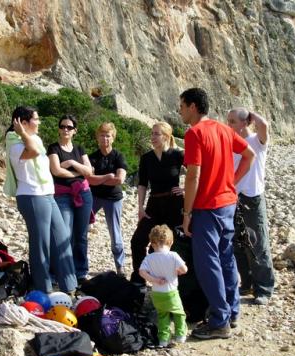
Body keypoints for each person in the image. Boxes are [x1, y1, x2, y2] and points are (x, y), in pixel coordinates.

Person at [179, 88, 255, 340]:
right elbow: (249, 155)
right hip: (227, 204)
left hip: (206, 207)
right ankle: (232, 312)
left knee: (208, 263)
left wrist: (187, 212)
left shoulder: (194, 134)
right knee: (226, 258)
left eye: (181, 105)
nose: (179, 110)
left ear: (192, 106)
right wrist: (231, 182)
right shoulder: (223, 129)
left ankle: (219, 321)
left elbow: (193, 176)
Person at [4, 106, 76, 293]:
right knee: (40, 244)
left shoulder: (33, 139)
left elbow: (36, 149)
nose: (39, 123)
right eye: (36, 119)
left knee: (61, 238)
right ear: (23, 123)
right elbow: (34, 152)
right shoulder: (14, 143)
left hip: (47, 195)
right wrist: (20, 133)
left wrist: (26, 135)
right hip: (32, 197)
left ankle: (70, 286)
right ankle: (42, 289)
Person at [228, 108, 275, 305]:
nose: (228, 125)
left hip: (253, 198)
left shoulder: (257, 141)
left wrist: (250, 114)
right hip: (234, 197)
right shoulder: (231, 144)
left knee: (258, 243)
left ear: (244, 123)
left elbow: (264, 125)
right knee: (238, 243)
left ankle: (263, 288)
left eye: (232, 121)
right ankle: (246, 282)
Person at [130, 122, 184, 285]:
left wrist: (185, 189)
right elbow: (142, 184)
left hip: (174, 205)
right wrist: (140, 207)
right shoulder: (147, 158)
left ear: (166, 136)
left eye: (156, 134)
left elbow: (198, 172)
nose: (152, 137)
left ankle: (173, 281)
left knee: (173, 244)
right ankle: (139, 280)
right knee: (138, 240)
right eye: (152, 133)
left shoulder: (178, 155)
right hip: (154, 203)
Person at [47, 115, 93, 284]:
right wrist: (78, 173)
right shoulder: (53, 148)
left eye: (69, 127)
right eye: (63, 126)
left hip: (83, 193)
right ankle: (56, 272)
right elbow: (56, 171)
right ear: (59, 128)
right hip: (62, 195)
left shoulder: (79, 149)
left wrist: (72, 162)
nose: (65, 129)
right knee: (63, 234)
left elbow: (89, 172)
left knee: (81, 235)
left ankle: (80, 272)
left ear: (75, 131)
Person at [87, 122, 128, 276]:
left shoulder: (118, 156)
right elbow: (89, 179)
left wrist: (99, 179)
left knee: (115, 233)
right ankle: (79, 264)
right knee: (81, 227)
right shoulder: (92, 157)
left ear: (113, 137)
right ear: (97, 137)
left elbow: (120, 179)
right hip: (94, 196)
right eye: (102, 135)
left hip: (113, 198)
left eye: (108, 135)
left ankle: (120, 267)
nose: (105, 138)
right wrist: (107, 177)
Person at [139, 225, 188, 347]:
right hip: (171, 292)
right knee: (179, 313)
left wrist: (154, 279)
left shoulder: (149, 258)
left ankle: (163, 339)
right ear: (170, 242)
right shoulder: (173, 255)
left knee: (162, 316)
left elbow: (141, 272)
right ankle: (180, 335)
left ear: (152, 243)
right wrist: (178, 271)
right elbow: (184, 269)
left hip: (156, 294)